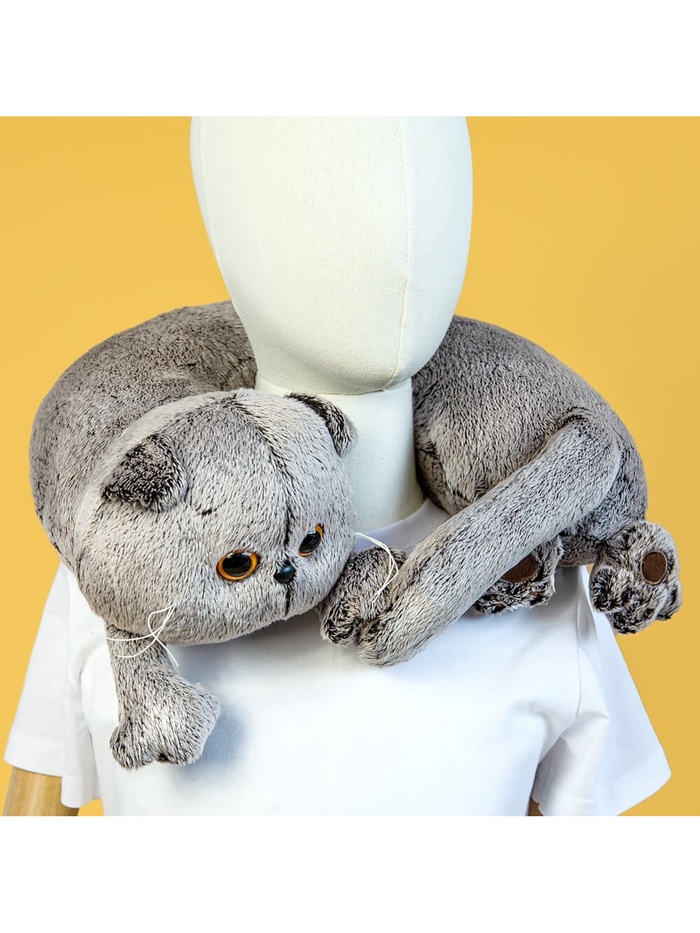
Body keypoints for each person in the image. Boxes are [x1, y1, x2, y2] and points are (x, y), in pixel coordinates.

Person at [3, 117, 670, 816]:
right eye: (326, 183)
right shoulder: (116, 573)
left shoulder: (547, 592)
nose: (399, 239)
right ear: (225, 212)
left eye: (431, 175)